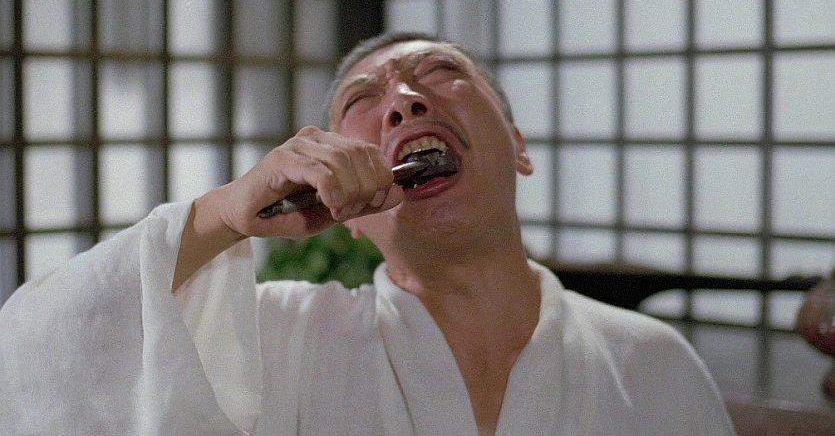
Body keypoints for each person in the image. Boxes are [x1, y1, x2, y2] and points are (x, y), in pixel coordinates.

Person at [0, 32, 736, 435]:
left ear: (516, 144)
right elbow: (39, 355)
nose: (404, 101)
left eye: (438, 72)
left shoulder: (650, 364)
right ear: (345, 210)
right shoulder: (277, 339)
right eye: (364, 98)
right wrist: (222, 214)